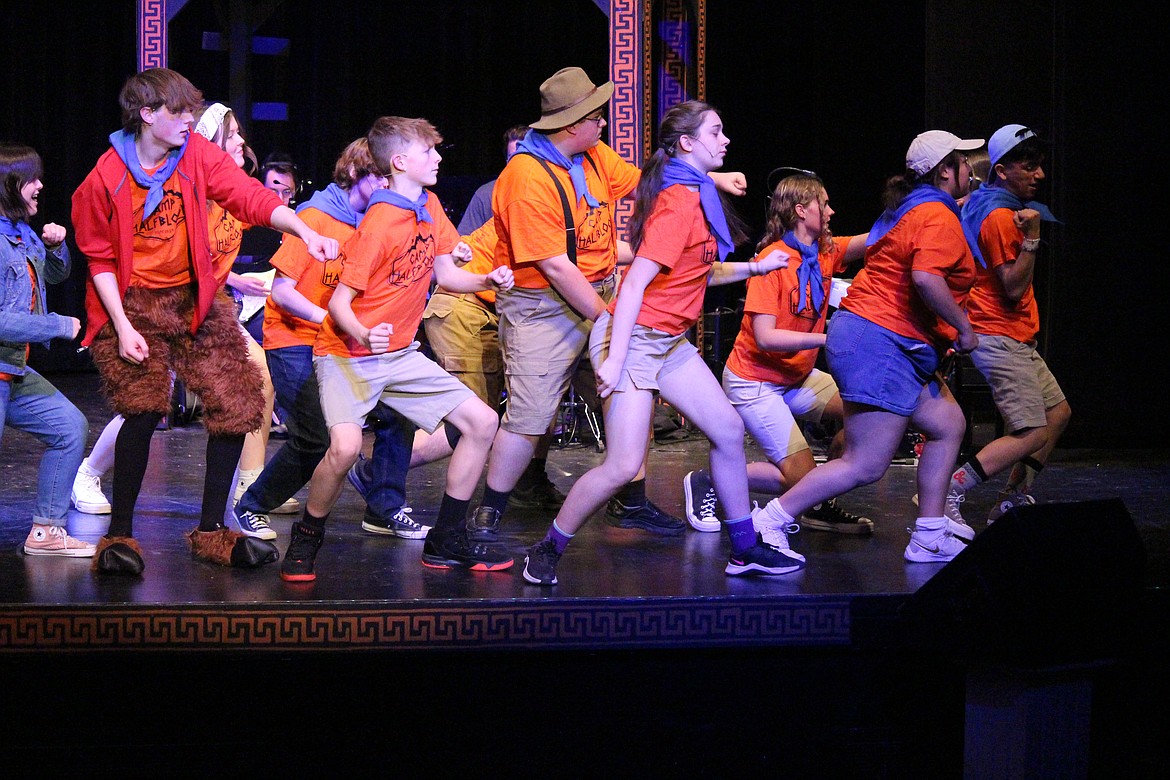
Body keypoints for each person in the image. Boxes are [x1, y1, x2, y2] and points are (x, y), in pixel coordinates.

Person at [71, 68, 339, 576]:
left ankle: (213, 531)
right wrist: (124, 327)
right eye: (178, 111)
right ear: (147, 115)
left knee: (237, 400)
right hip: (129, 300)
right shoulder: (104, 179)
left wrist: (303, 229)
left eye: (192, 110)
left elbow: (250, 198)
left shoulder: (195, 154)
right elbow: (100, 259)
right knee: (144, 407)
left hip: (195, 296)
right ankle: (120, 534)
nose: (189, 119)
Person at [522, 100, 798, 585]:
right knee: (623, 465)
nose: (726, 140)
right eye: (716, 132)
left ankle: (745, 548)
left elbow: (696, 271)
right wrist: (613, 360)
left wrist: (756, 268)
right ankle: (546, 549)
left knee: (729, 432)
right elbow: (632, 286)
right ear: (688, 144)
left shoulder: (693, 193)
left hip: (667, 342)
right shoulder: (678, 204)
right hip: (633, 338)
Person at [482, 67, 747, 543]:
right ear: (571, 125)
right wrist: (615, 321)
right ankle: (489, 513)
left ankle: (631, 503)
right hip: (545, 305)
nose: (603, 124)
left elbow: (648, 175)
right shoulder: (524, 178)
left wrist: (714, 177)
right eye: (596, 117)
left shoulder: (593, 154)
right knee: (529, 418)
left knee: (632, 404)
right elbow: (556, 267)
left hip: (603, 292)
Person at [281, 115, 514, 582]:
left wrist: (486, 278)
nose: (439, 158)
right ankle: (307, 538)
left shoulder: (428, 205)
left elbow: (446, 275)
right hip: (348, 355)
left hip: (400, 356)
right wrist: (365, 335)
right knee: (344, 449)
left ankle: (446, 540)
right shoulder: (378, 225)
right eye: (430, 152)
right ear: (401, 162)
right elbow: (341, 304)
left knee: (483, 422)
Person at [754, 130, 983, 564]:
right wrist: (963, 328)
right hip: (880, 343)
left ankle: (930, 533)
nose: (970, 170)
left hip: (888, 341)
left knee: (948, 423)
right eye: (964, 161)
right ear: (945, 170)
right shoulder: (935, 214)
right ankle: (768, 523)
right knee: (865, 463)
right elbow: (926, 278)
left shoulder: (912, 209)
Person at [232, 137, 432, 542]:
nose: (388, 187)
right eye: (380, 178)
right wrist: (329, 317)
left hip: (344, 342)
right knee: (317, 436)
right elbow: (283, 291)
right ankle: (251, 505)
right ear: (357, 174)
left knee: (398, 413)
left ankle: (384, 507)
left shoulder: (378, 221)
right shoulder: (315, 217)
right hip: (295, 340)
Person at [683, 171, 872, 537]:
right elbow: (766, 338)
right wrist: (827, 338)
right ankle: (708, 480)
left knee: (868, 413)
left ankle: (817, 503)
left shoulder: (825, 252)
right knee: (800, 478)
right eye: (825, 204)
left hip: (796, 376)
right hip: (754, 382)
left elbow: (877, 239)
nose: (832, 212)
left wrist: (939, 205)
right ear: (801, 210)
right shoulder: (774, 260)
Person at [947, 124, 1068, 525]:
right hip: (998, 335)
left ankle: (1012, 497)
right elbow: (1014, 287)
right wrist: (1032, 238)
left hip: (1016, 334)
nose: (1040, 176)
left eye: (1040, 166)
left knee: (1058, 413)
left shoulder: (987, 202)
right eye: (1029, 167)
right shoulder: (1000, 216)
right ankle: (948, 489)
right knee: (1032, 431)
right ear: (1001, 171)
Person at [0, 143, 94, 558]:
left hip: (12, 369)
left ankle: (46, 531)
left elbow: (55, 274)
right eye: (32, 179)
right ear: (10, 185)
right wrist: (57, 325)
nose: (40, 186)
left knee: (69, 428)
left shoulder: (22, 233)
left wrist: (56, 246)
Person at [235, 151, 301, 345]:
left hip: (273, 313)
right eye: (272, 192)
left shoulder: (300, 228)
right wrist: (237, 281)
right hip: (231, 305)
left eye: (286, 192)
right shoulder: (238, 220)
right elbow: (207, 265)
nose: (279, 199)